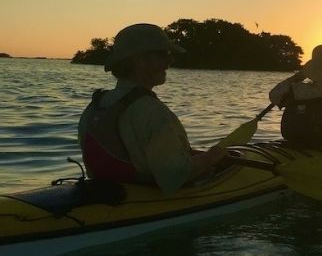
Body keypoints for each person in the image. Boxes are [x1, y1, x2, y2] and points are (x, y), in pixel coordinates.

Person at [78, 23, 228, 194]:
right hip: (146, 196)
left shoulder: (96, 105)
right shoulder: (154, 112)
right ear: (140, 61)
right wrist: (211, 157)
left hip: (104, 193)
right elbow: (174, 175)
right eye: (164, 54)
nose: (170, 61)